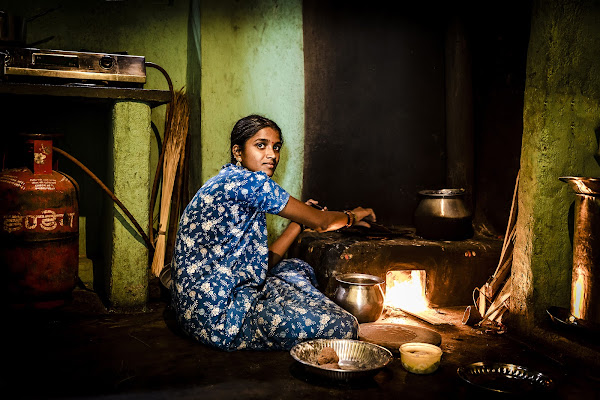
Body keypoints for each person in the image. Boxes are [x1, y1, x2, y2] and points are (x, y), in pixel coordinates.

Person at [171, 114, 376, 351]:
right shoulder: (251, 184)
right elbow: (322, 223)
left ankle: (303, 307)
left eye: (276, 147)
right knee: (344, 325)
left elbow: (261, 264)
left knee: (296, 268)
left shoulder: (228, 180)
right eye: (261, 145)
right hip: (221, 321)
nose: (272, 155)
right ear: (238, 152)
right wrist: (356, 214)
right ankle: (311, 310)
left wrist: (298, 223)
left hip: (193, 312)